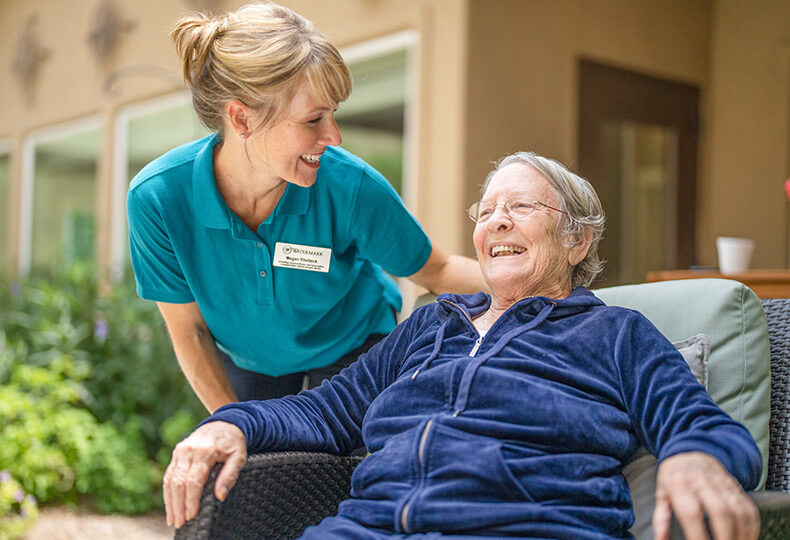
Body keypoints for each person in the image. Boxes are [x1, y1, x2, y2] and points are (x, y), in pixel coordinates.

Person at [163, 151, 761, 539]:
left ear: (577, 242)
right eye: (488, 210)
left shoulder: (613, 333)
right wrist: (231, 424)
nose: (496, 221)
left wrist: (697, 456)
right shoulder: (432, 325)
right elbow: (326, 409)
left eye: (521, 207)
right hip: (368, 528)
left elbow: (697, 421)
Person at [126, 2, 485, 412]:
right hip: (250, 361)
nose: (334, 137)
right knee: (258, 468)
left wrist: (548, 285)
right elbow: (189, 331)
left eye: (333, 114)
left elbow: (436, 270)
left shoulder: (351, 187)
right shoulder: (158, 199)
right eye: (313, 119)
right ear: (241, 119)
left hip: (353, 346)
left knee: (334, 468)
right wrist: (234, 425)